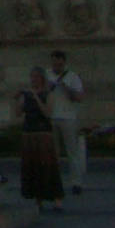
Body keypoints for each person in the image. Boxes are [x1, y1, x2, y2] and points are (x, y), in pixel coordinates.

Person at [17, 66, 65, 209]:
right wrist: (17, 98)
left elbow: (48, 113)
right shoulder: (26, 95)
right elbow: (18, 113)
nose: (33, 80)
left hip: (43, 133)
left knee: (47, 166)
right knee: (32, 167)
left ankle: (56, 198)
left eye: (36, 77)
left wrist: (36, 97)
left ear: (42, 78)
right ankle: (38, 200)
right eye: (32, 77)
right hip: (29, 132)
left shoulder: (48, 94)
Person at [46, 49, 89, 195]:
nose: (56, 67)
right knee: (53, 153)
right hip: (51, 117)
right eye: (54, 64)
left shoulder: (73, 76)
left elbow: (80, 97)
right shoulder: (46, 75)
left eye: (59, 64)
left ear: (64, 63)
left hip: (68, 117)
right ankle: (54, 182)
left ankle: (76, 182)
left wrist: (66, 88)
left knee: (72, 152)